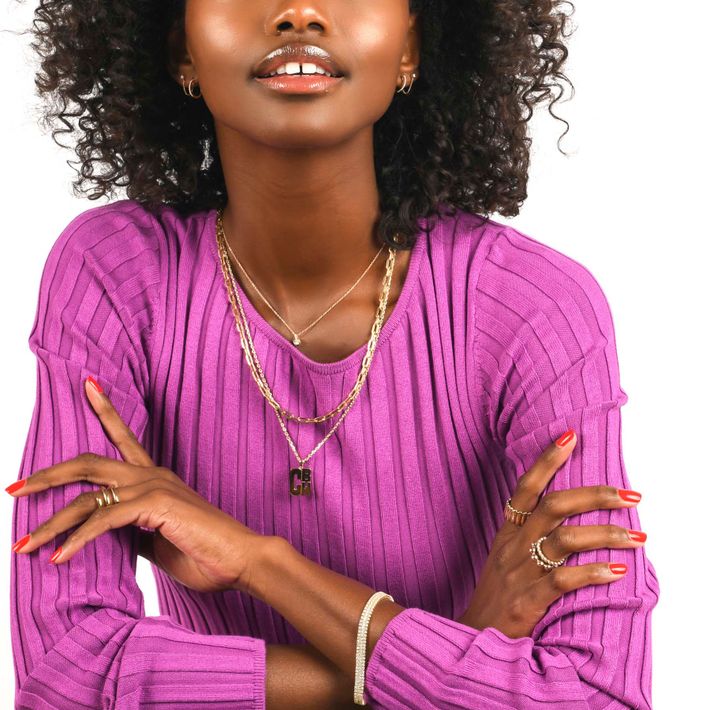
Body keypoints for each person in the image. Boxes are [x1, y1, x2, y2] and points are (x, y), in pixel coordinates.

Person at [8, 1, 659, 707]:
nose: (299, 12)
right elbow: (64, 675)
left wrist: (260, 562)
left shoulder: (530, 306)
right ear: (180, 48)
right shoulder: (118, 274)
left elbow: (596, 693)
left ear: (411, 45)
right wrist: (452, 654)